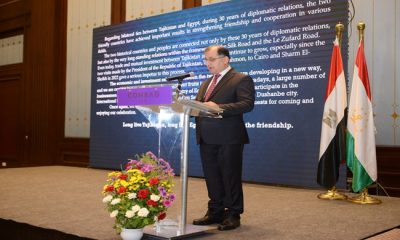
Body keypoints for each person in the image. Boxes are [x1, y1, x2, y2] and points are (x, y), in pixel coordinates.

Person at [192, 45, 255, 231]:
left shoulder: (241, 79)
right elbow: (199, 106)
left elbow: (247, 104)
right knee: (212, 176)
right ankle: (215, 211)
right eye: (205, 59)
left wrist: (219, 107)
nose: (207, 63)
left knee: (230, 176)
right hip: (206, 136)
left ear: (225, 59)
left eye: (211, 59)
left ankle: (233, 213)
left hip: (229, 137)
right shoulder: (206, 83)